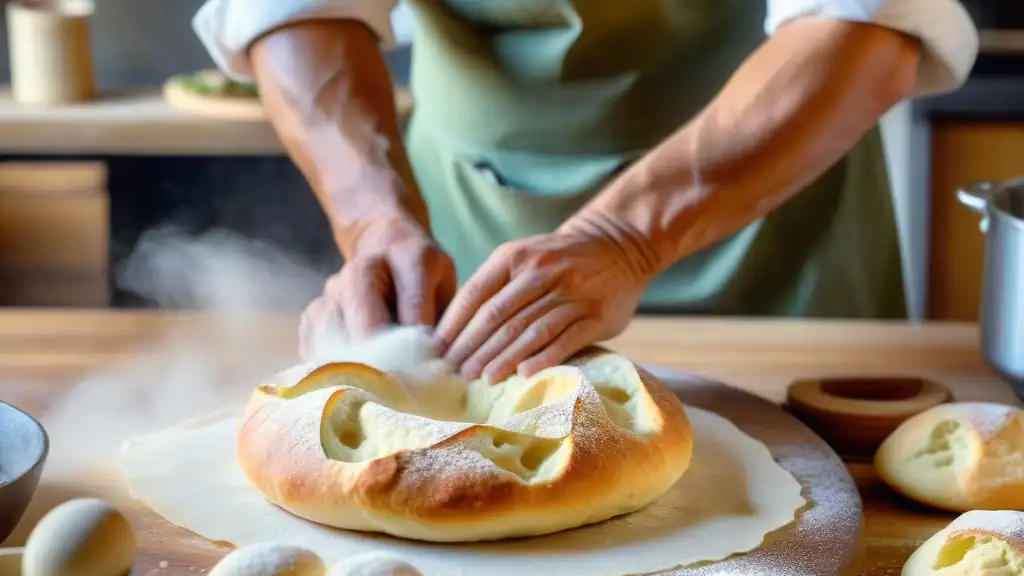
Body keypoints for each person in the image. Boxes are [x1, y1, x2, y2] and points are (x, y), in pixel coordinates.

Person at [193, 1, 978, 383]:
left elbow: (868, 24)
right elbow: (295, 9)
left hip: (777, 213)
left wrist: (625, 237)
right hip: (470, 234)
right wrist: (374, 223)